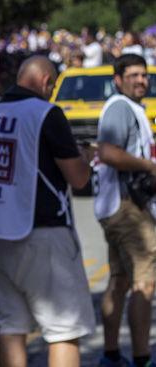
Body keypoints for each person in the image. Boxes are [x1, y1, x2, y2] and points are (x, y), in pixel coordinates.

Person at [0, 55, 95, 367]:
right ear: (44, 81)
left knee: (11, 325)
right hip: (42, 231)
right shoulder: (45, 113)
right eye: (52, 85)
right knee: (63, 330)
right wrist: (85, 157)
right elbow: (78, 178)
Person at [94, 53, 156, 367]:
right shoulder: (120, 107)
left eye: (143, 75)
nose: (140, 80)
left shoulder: (130, 108)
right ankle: (143, 357)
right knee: (144, 282)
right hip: (128, 207)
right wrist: (150, 167)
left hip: (116, 206)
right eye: (132, 75)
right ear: (118, 80)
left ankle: (111, 354)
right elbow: (107, 152)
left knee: (119, 281)